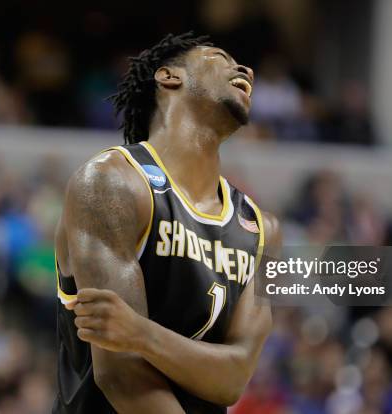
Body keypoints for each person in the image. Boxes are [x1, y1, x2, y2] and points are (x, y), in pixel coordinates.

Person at [52, 32, 281, 413]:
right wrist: (139, 344)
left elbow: (234, 379)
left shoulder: (261, 229)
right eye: (219, 57)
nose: (245, 70)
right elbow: (120, 374)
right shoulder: (113, 183)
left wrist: (141, 334)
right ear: (169, 77)